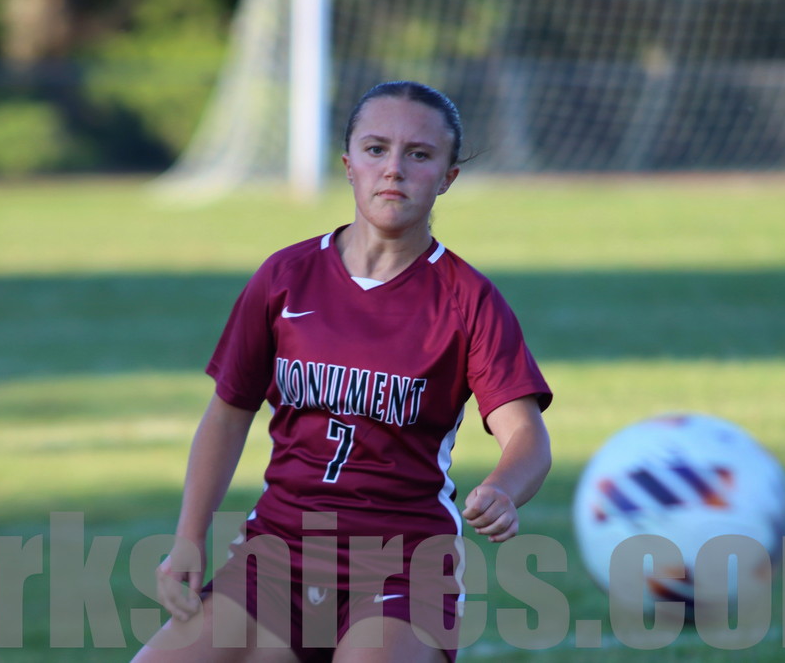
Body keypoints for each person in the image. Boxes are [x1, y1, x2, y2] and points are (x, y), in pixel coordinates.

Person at [131, 81, 553, 663]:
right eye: (376, 149)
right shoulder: (285, 277)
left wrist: (503, 489)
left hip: (403, 566)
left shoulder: (467, 299)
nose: (394, 169)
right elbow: (228, 415)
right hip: (277, 555)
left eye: (419, 154)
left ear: (447, 177)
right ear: (348, 163)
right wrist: (187, 538)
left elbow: (527, 435)